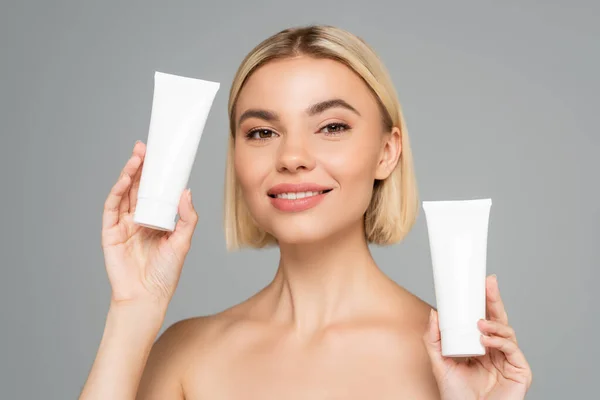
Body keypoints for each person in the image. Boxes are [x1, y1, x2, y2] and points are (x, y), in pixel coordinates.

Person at [80, 25, 532, 399]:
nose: (292, 156)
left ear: (387, 152)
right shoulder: (185, 355)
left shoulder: (461, 364)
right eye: (261, 132)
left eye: (331, 127)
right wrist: (134, 307)